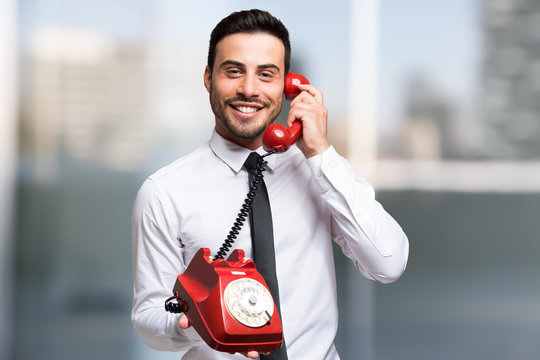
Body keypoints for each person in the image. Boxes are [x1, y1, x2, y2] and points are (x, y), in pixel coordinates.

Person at [131, 8, 409, 360]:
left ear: (289, 86)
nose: (249, 89)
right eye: (233, 71)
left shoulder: (320, 171)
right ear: (207, 78)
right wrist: (192, 321)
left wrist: (321, 153)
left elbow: (388, 262)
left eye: (266, 75)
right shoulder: (163, 192)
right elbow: (148, 317)